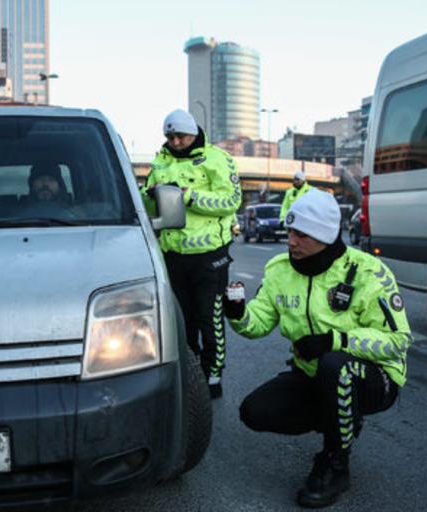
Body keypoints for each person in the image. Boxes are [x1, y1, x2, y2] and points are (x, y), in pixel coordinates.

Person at [224, 188, 412, 508]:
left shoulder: (368, 272)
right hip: (313, 374)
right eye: (290, 232)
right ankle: (342, 417)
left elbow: (398, 342)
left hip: (374, 378)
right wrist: (238, 314)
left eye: (301, 235)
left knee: (336, 365)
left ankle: (335, 463)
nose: (291, 241)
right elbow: (258, 323)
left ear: (325, 235)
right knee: (254, 411)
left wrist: (333, 341)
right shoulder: (279, 270)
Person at [142, 108, 242, 397]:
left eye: (181, 136)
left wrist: (186, 195)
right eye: (171, 137)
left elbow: (231, 201)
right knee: (182, 321)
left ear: (194, 133)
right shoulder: (159, 162)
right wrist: (151, 196)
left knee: (209, 318)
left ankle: (213, 375)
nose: (176, 142)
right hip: (173, 255)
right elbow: (148, 206)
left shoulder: (218, 159)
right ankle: (191, 374)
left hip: (210, 256)